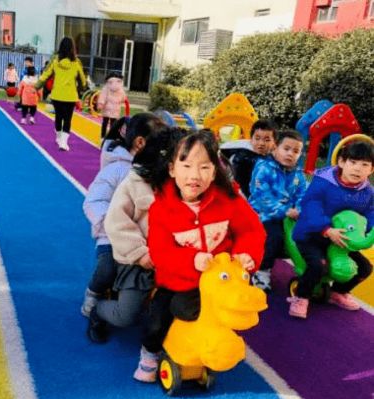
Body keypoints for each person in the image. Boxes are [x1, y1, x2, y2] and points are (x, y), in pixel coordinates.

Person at [133, 130, 266, 382]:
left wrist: (245, 255)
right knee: (160, 317)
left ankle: (216, 345)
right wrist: (191, 260)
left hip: (220, 281)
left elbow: (251, 230)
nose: (195, 175)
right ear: (172, 169)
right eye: (186, 166)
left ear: (214, 172)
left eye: (204, 167)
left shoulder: (229, 200)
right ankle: (149, 352)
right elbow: (161, 252)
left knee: (235, 309)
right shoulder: (162, 208)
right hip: (179, 281)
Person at [86, 127, 185, 343]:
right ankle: (98, 311)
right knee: (126, 316)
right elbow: (117, 222)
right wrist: (140, 253)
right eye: (183, 162)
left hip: (172, 260)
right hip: (138, 261)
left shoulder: (186, 187)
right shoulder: (134, 183)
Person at [81, 113, 167, 317]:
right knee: (108, 267)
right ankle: (94, 293)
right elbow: (94, 201)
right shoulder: (117, 169)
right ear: (140, 143)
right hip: (111, 236)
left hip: (142, 237)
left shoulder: (152, 170)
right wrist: (111, 225)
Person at [288, 140, 373, 319]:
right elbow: (311, 206)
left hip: (343, 240)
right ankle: (301, 296)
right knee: (318, 266)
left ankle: (338, 292)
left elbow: (370, 212)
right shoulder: (324, 182)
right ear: (341, 162)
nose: (358, 169)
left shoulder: (367, 192)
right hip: (313, 235)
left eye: (364, 165)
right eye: (353, 162)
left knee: (365, 268)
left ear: (371, 170)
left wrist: (367, 232)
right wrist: (326, 229)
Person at [249, 130, 307, 292]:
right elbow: (261, 196)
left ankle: (310, 267)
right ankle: (262, 271)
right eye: (286, 149)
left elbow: (303, 194)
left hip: (289, 216)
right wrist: (285, 210)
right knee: (274, 237)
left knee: (307, 235)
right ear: (275, 148)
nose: (290, 154)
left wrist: (299, 209)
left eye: (295, 151)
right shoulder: (264, 168)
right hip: (263, 214)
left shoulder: (298, 174)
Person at [35, 37, 86, 151]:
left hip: (57, 95)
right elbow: (82, 79)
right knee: (67, 119)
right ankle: (63, 142)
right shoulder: (77, 62)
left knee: (58, 117)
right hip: (70, 96)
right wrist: (83, 88)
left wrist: (37, 86)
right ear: (72, 48)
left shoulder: (55, 61)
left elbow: (45, 75)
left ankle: (58, 137)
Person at [220, 119, 278, 197]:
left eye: (267, 140)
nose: (261, 143)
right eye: (257, 138)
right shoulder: (243, 158)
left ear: (274, 143)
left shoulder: (275, 157)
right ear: (251, 140)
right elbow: (241, 186)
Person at [97, 72, 127, 140]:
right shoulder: (120, 87)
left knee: (105, 123)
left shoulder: (107, 86)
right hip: (116, 108)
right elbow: (123, 98)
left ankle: (102, 137)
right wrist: (120, 101)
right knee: (113, 124)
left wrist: (100, 104)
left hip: (107, 108)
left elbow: (103, 96)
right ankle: (111, 137)